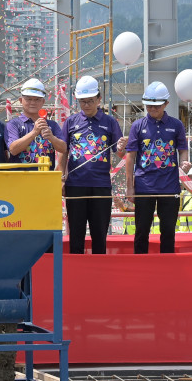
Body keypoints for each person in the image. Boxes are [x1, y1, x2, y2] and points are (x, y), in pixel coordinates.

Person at [124, 81, 191, 254]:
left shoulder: (176, 125)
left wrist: (184, 163)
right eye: (149, 106)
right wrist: (130, 187)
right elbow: (130, 157)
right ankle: (140, 265)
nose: (152, 109)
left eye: (156, 106)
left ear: (166, 104)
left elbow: (183, 150)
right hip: (144, 186)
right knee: (141, 231)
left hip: (169, 186)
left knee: (168, 231)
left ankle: (167, 266)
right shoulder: (138, 126)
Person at [62, 75, 126, 255]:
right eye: (82, 102)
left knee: (100, 233)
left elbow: (120, 153)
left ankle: (100, 273)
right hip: (75, 186)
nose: (86, 105)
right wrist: (61, 178)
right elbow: (63, 151)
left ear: (99, 99)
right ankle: (76, 271)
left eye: (90, 101)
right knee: (76, 234)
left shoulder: (110, 122)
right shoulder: (71, 122)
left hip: (101, 186)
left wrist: (123, 147)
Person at [6, 78, 64, 168]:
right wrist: (34, 132)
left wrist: (52, 138)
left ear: (43, 102)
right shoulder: (14, 124)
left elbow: (63, 148)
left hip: (45, 178)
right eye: (28, 99)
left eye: (37, 99)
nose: (33, 102)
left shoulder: (52, 125)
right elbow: (13, 150)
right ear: (21, 100)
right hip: (20, 179)